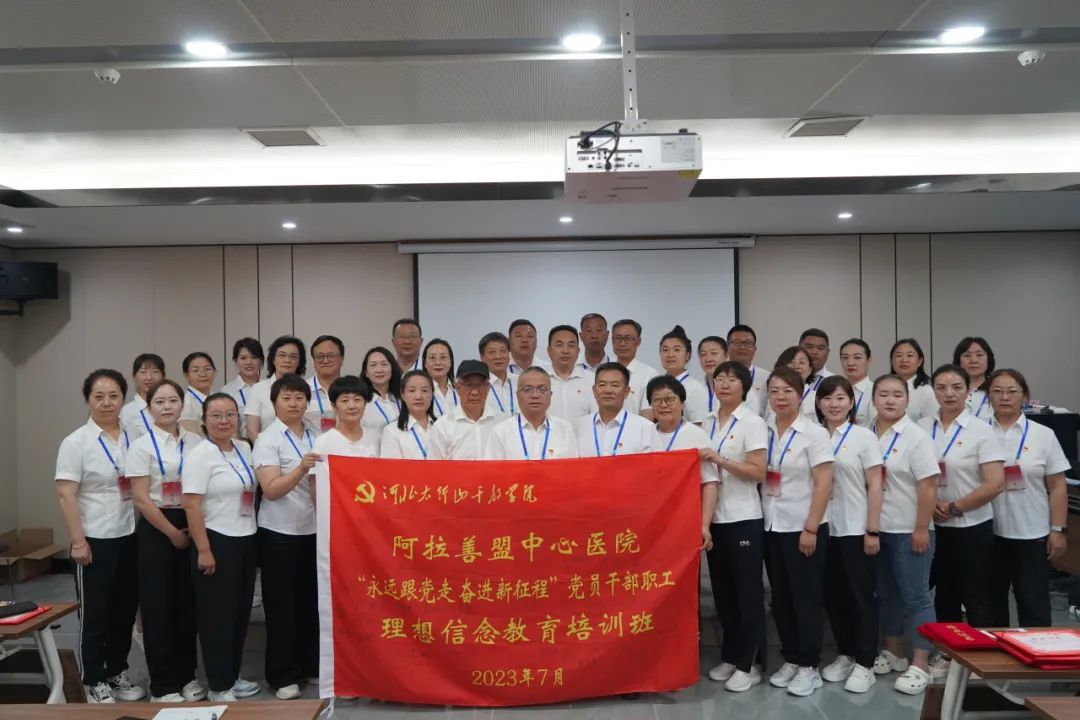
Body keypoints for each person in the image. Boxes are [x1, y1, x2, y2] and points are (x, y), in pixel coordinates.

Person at [55, 369, 144, 703]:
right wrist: (78, 541)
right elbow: (66, 494)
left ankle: (117, 671)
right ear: (88, 400)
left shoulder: (134, 437)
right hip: (94, 538)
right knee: (95, 614)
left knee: (124, 611)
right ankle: (93, 678)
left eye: (114, 396)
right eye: (99, 396)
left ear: (123, 398)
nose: (107, 403)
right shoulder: (76, 442)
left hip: (130, 534)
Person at [125, 379, 205, 703]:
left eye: (173, 400)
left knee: (188, 604)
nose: (167, 407)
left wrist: (193, 529)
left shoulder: (197, 442)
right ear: (149, 408)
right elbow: (141, 499)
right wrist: (172, 533)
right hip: (157, 527)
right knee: (158, 606)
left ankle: (187, 676)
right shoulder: (141, 446)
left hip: (192, 520)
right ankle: (163, 684)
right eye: (160, 402)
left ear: (182, 405)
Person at [182, 393, 261, 702]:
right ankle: (218, 685)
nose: (224, 421)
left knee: (240, 613)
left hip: (246, 537)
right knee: (217, 617)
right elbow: (192, 505)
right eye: (216, 415)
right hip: (216, 540)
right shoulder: (200, 455)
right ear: (204, 420)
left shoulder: (244, 448)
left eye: (230, 414)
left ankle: (232, 675)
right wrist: (203, 549)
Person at [760, 367, 833, 698]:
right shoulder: (764, 430)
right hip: (771, 524)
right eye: (774, 391)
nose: (780, 397)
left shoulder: (814, 433)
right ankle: (791, 657)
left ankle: (809, 666)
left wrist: (811, 527)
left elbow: (824, 483)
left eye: (787, 391)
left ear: (801, 395)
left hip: (803, 526)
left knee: (806, 598)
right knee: (781, 598)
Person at [696, 362, 768, 693]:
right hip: (715, 518)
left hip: (743, 517)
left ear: (745, 386)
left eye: (732, 379)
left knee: (747, 594)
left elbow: (758, 472)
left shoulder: (752, 423)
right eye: (719, 379)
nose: (724, 384)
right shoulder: (707, 422)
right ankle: (730, 655)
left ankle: (749, 663)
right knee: (724, 593)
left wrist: (720, 460)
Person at [918, 364, 1004, 638]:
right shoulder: (921, 428)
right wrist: (932, 504)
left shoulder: (981, 430)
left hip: (972, 525)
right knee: (944, 593)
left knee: (976, 594)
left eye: (956, 387)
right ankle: (950, 653)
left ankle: (983, 656)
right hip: (933, 525)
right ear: (934, 391)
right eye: (941, 387)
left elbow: (995, 482)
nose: (949, 393)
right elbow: (911, 475)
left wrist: (956, 507)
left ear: (968, 391)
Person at [251, 374, 321, 700]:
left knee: (310, 603)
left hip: (314, 529)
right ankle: (282, 676)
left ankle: (310, 665)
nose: (293, 404)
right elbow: (271, 489)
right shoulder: (268, 439)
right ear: (274, 403)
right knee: (282, 606)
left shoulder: (316, 434)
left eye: (299, 398)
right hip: (279, 533)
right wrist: (301, 469)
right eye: (286, 398)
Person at [871, 374, 940, 696]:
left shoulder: (916, 437)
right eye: (883, 394)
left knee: (916, 596)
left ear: (907, 400)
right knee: (886, 594)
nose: (890, 400)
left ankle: (921, 662)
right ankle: (893, 651)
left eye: (897, 395)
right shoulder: (866, 433)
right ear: (873, 399)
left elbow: (928, 485)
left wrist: (922, 527)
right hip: (876, 528)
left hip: (909, 529)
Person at [815, 376, 883, 694]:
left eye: (841, 398)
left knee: (861, 597)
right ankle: (846, 653)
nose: (834, 404)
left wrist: (872, 529)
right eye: (828, 398)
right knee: (833, 596)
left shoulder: (862, 437)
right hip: (822, 527)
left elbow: (876, 484)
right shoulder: (813, 436)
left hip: (855, 527)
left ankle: (866, 662)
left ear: (852, 402)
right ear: (818, 403)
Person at [987, 369, 1070, 627]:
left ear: (1025, 396)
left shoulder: (1043, 434)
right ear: (988, 396)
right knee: (990, 605)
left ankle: (1034, 651)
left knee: (1033, 604)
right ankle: (995, 653)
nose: (1005, 397)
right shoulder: (978, 432)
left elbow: (1058, 486)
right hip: (987, 532)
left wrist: (1058, 529)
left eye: (1012, 391)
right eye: (997, 391)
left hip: (1032, 532)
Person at [645, 375, 719, 554]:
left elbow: (709, 483)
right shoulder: (644, 434)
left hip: (686, 521)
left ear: (682, 403)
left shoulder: (697, 435)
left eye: (669, 399)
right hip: (649, 521)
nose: (663, 405)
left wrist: (704, 525)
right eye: (657, 400)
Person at [486, 366, 577, 459]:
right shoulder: (501, 432)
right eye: (527, 390)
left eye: (542, 389)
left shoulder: (565, 429)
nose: (535, 395)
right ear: (517, 395)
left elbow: (573, 467)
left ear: (550, 394)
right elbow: (492, 468)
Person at [573, 363, 656, 457]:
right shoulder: (578, 427)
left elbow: (657, 464)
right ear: (594, 391)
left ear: (626, 391)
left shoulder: (645, 428)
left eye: (615, 385)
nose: (608, 391)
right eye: (602, 385)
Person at [428, 360, 499, 460]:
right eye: (468, 385)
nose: (474, 392)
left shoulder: (501, 422)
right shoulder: (442, 427)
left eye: (480, 385)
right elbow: (434, 467)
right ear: (457, 388)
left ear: (488, 388)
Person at [245, 336, 306, 442]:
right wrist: (265, 448)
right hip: (267, 447)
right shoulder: (258, 389)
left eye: (293, 356)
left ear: (299, 362)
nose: (287, 360)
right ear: (273, 359)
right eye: (282, 355)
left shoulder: (306, 388)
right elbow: (252, 430)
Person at [313, 375, 380, 463]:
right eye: (345, 401)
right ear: (334, 406)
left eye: (357, 399)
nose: (352, 406)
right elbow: (318, 472)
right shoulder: (323, 442)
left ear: (365, 404)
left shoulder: (376, 437)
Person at [651, 325, 708, 424]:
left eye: (677, 350)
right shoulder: (655, 385)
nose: (670, 355)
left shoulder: (695, 388)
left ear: (687, 355)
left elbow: (698, 425)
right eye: (665, 350)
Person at [380, 370, 436, 459]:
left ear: (432, 394)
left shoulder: (442, 426)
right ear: (402, 394)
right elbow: (391, 467)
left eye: (424, 390)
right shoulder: (392, 431)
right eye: (412, 390)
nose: (418, 396)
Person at [546, 325, 595, 421]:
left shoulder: (592, 380)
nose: (565, 351)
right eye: (559, 345)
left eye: (571, 345)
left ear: (578, 351)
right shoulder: (537, 380)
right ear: (549, 351)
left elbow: (598, 416)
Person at [611, 319, 659, 415]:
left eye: (627, 338)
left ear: (638, 341)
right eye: (618, 338)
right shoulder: (604, 373)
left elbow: (648, 414)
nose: (622, 343)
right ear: (612, 340)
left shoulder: (649, 375)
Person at [223, 338, 264, 439]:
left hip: (270, 444)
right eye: (243, 358)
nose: (249, 362)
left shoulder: (271, 387)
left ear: (261, 360)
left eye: (254, 357)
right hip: (241, 443)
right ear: (235, 361)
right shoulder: (227, 391)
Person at [360, 346, 402, 442]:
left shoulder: (403, 397)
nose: (379, 370)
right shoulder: (361, 401)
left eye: (384, 364)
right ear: (366, 372)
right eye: (373, 365)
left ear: (392, 368)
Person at [119, 353, 165, 443]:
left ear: (163, 376)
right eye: (143, 372)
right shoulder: (126, 413)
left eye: (155, 371)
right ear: (134, 376)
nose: (149, 377)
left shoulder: (171, 407)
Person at [889, 339, 938, 422]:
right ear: (892, 361)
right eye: (899, 355)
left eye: (910, 355)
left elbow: (932, 424)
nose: (904, 360)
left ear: (919, 361)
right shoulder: (882, 388)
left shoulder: (926, 391)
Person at [727, 324, 769, 417]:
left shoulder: (767, 378)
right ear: (727, 347)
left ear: (755, 349)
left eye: (748, 343)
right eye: (737, 343)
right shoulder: (719, 377)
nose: (742, 347)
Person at [307, 335, 344, 431]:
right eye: (320, 356)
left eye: (331, 355)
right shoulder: (301, 390)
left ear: (342, 359)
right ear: (313, 360)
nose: (325, 360)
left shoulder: (352, 389)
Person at [954, 337, 995, 421]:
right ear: (958, 360)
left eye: (979, 355)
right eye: (967, 355)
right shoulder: (948, 389)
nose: (973, 360)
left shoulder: (997, 389)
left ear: (989, 359)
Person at [774, 346, 818, 423]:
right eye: (791, 362)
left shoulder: (816, 398)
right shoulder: (774, 394)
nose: (797, 367)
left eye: (802, 362)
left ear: (810, 370)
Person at [480, 331, 516, 419]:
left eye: (503, 351)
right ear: (482, 357)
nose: (498, 357)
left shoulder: (521, 382)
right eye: (492, 352)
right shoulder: (477, 386)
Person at [840, 339, 875, 427]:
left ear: (869, 360)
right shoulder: (836, 390)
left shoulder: (876, 391)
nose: (850, 363)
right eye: (845, 357)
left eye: (857, 357)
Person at [179, 352, 217, 435]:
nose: (203, 374)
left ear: (215, 371)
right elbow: (190, 438)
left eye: (207, 369)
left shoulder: (218, 398)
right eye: (196, 370)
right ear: (186, 375)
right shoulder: (185, 404)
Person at [422, 339, 458, 419]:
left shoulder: (460, 389)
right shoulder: (419, 392)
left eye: (443, 357)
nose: (438, 362)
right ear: (425, 363)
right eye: (432, 357)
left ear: (450, 361)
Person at [697, 336, 728, 415]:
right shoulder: (695, 390)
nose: (708, 359)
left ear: (726, 355)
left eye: (714, 353)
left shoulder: (739, 390)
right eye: (703, 354)